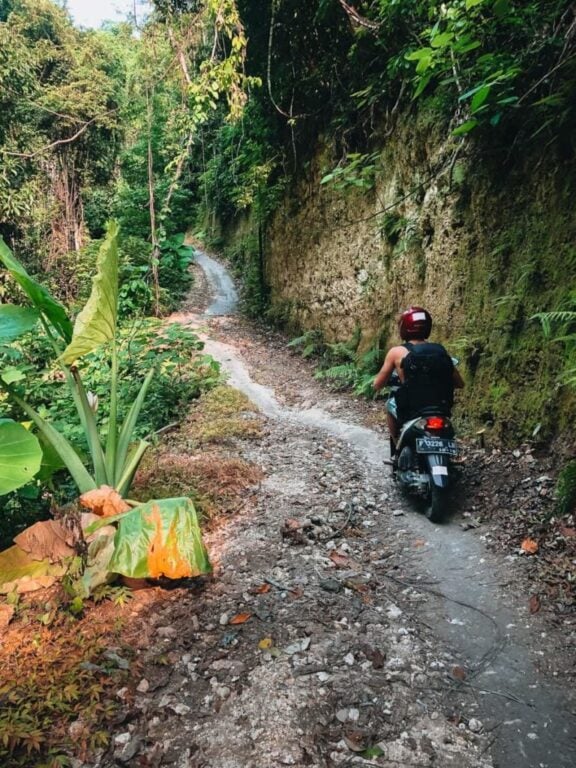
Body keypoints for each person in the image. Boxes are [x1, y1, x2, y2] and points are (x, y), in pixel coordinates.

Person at [373, 306, 464, 453]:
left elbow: (377, 384)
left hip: (412, 408)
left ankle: (398, 448)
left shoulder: (396, 352)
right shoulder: (439, 351)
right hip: (441, 407)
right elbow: (459, 383)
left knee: (390, 405)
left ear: (404, 328)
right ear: (428, 327)